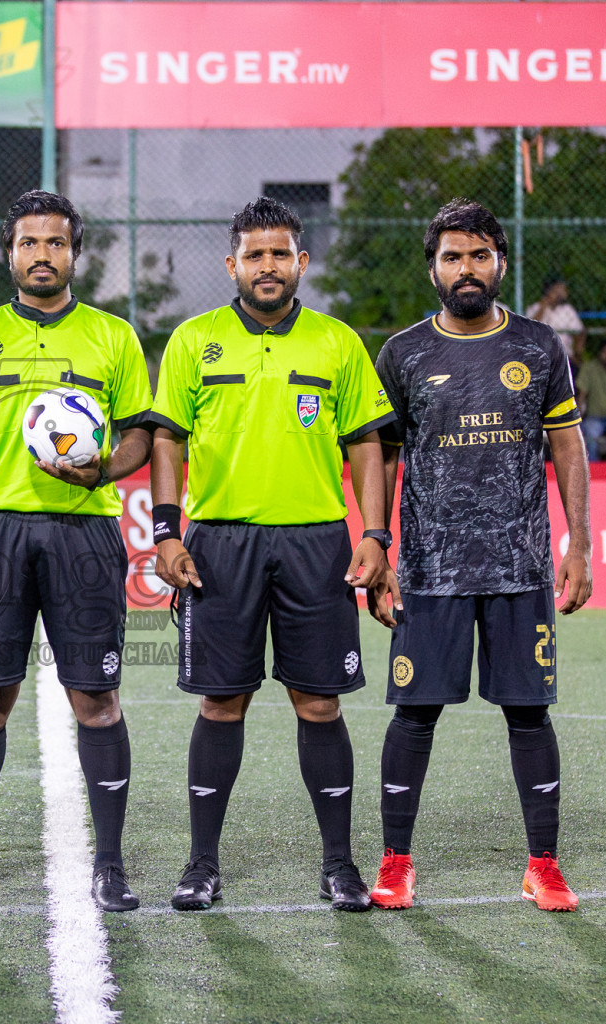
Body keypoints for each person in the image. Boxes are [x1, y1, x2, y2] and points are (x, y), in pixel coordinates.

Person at [147, 197, 394, 913]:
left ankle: (340, 865)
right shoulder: (194, 341)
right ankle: (201, 864)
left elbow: (366, 445)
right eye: (254, 255)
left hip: (317, 541)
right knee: (222, 704)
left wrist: (374, 534)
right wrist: (167, 531)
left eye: (280, 253)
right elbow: (167, 439)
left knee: (319, 704)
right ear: (232, 264)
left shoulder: (336, 343)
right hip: (219, 543)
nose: (267, 266)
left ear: (301, 262)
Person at [0, 190, 154, 913]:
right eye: (29, 243)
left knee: (97, 699)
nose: (42, 255)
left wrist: (104, 470)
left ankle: (111, 864)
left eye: (56, 243)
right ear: (11, 252)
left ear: (74, 254)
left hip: (84, 532)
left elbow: (142, 435)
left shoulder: (112, 337)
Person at [370, 198, 593, 913]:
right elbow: (379, 459)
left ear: (500, 260)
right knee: (414, 714)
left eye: (479, 255)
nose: (466, 269)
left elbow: (566, 445)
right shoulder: (403, 354)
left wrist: (578, 542)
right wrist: (377, 548)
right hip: (430, 571)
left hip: (519, 567)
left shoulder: (538, 347)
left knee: (529, 716)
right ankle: (397, 861)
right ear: (432, 268)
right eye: (452, 257)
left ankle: (544, 865)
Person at [524, 275, 585, 363]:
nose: (565, 292)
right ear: (551, 290)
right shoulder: (535, 308)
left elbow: (579, 332)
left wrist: (577, 353)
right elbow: (530, 330)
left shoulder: (567, 310)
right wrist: (543, 307)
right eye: (560, 289)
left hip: (564, 356)